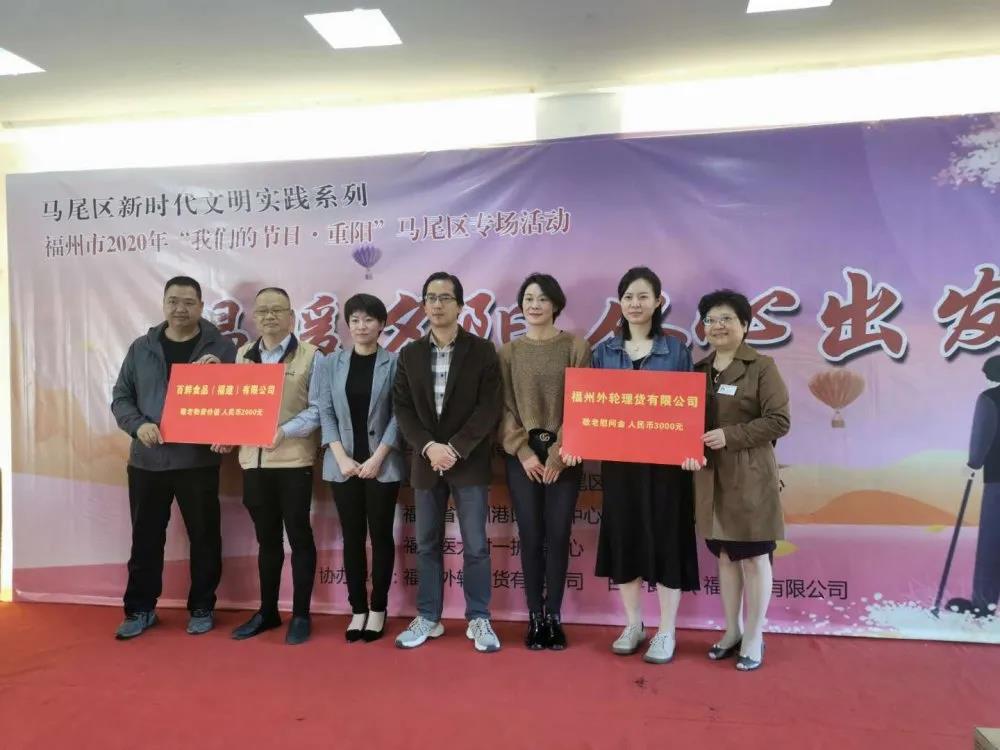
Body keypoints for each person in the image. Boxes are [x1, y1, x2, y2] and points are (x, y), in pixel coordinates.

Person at [110, 275, 236, 639]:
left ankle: (202, 606)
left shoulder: (222, 348)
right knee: (146, 538)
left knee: (205, 537)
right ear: (164, 303)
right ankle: (140, 609)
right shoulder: (141, 347)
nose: (180, 309)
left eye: (189, 302)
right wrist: (138, 426)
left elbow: (239, 399)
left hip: (198, 461)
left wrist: (222, 377)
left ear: (201, 306)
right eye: (173, 301)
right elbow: (121, 397)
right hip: (148, 461)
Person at [590, 266, 700, 664]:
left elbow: (690, 411)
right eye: (628, 297)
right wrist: (578, 443)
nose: (635, 304)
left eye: (643, 296)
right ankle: (633, 623)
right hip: (620, 466)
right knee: (625, 539)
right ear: (620, 303)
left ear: (658, 302)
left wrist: (691, 447)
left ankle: (666, 630)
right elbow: (590, 410)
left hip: (667, 468)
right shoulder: (603, 352)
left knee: (668, 541)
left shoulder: (677, 351)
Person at [392, 271, 503, 652]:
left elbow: (489, 407)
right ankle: (428, 616)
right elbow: (403, 408)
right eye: (431, 298)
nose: (437, 305)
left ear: (460, 305)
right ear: (424, 305)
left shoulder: (482, 351)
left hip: (467, 461)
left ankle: (479, 618)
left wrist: (454, 448)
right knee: (426, 544)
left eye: (445, 298)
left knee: (475, 545)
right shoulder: (410, 354)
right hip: (426, 462)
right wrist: (429, 447)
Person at [681, 289, 790, 672]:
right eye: (710, 320)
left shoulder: (762, 367)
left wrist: (730, 435)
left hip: (750, 477)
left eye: (726, 318)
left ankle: (755, 635)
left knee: (755, 557)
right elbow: (683, 423)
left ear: (744, 324)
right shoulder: (699, 370)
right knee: (726, 556)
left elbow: (779, 421)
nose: (717, 326)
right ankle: (732, 630)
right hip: (709, 477)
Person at [499, 273, 590, 650]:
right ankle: (534, 616)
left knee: (558, 534)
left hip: (565, 456)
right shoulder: (508, 352)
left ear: (556, 304)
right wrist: (522, 451)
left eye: (542, 299)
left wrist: (558, 455)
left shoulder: (576, 347)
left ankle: (554, 616)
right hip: (522, 459)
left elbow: (582, 402)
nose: (534, 305)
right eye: (528, 299)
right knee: (531, 536)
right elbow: (503, 407)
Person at [226, 288, 322, 646]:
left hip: (293, 460)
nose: (269, 316)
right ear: (254, 317)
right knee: (266, 540)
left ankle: (301, 614)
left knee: (299, 536)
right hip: (254, 462)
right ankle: (267, 611)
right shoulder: (243, 355)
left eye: (277, 310)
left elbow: (318, 409)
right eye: (263, 310)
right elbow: (236, 406)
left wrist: (284, 431)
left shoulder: (311, 355)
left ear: (291, 316)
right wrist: (224, 433)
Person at [317, 293, 404, 642]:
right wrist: (340, 457)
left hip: (382, 464)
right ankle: (358, 609)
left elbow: (400, 414)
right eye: (354, 320)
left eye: (369, 319)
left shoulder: (394, 363)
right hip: (343, 465)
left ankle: (379, 607)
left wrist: (377, 457)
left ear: (381, 324)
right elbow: (325, 411)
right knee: (352, 537)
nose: (361, 326)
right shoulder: (331, 363)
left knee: (381, 536)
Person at [946, 354, 1000, 619]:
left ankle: (984, 604)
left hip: (998, 480)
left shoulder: (990, 399)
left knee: (992, 544)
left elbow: (982, 435)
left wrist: (973, 463)